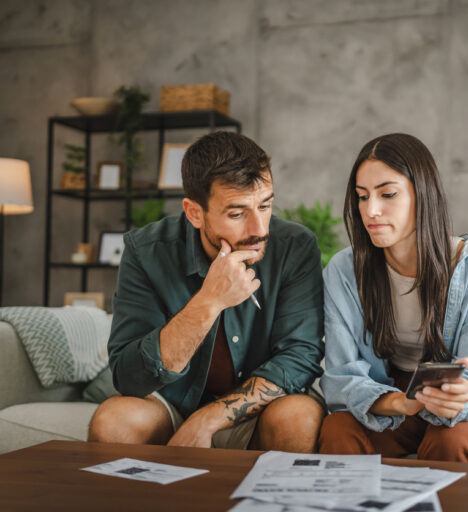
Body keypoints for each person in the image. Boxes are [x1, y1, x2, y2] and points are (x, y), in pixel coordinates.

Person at [88, 131, 325, 451]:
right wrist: (209, 301)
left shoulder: (294, 246)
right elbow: (130, 377)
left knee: (299, 416)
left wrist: (208, 420)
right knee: (113, 421)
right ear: (194, 212)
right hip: (171, 404)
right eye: (237, 213)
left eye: (265, 206)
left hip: (258, 411)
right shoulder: (146, 251)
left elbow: (299, 358)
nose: (259, 229)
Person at [318, 133, 468, 462]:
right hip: (392, 394)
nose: (372, 210)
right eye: (362, 196)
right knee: (338, 430)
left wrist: (456, 397)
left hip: (461, 398)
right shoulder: (344, 270)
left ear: (422, 194)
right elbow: (341, 378)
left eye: (388, 194)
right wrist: (401, 403)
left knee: (451, 442)